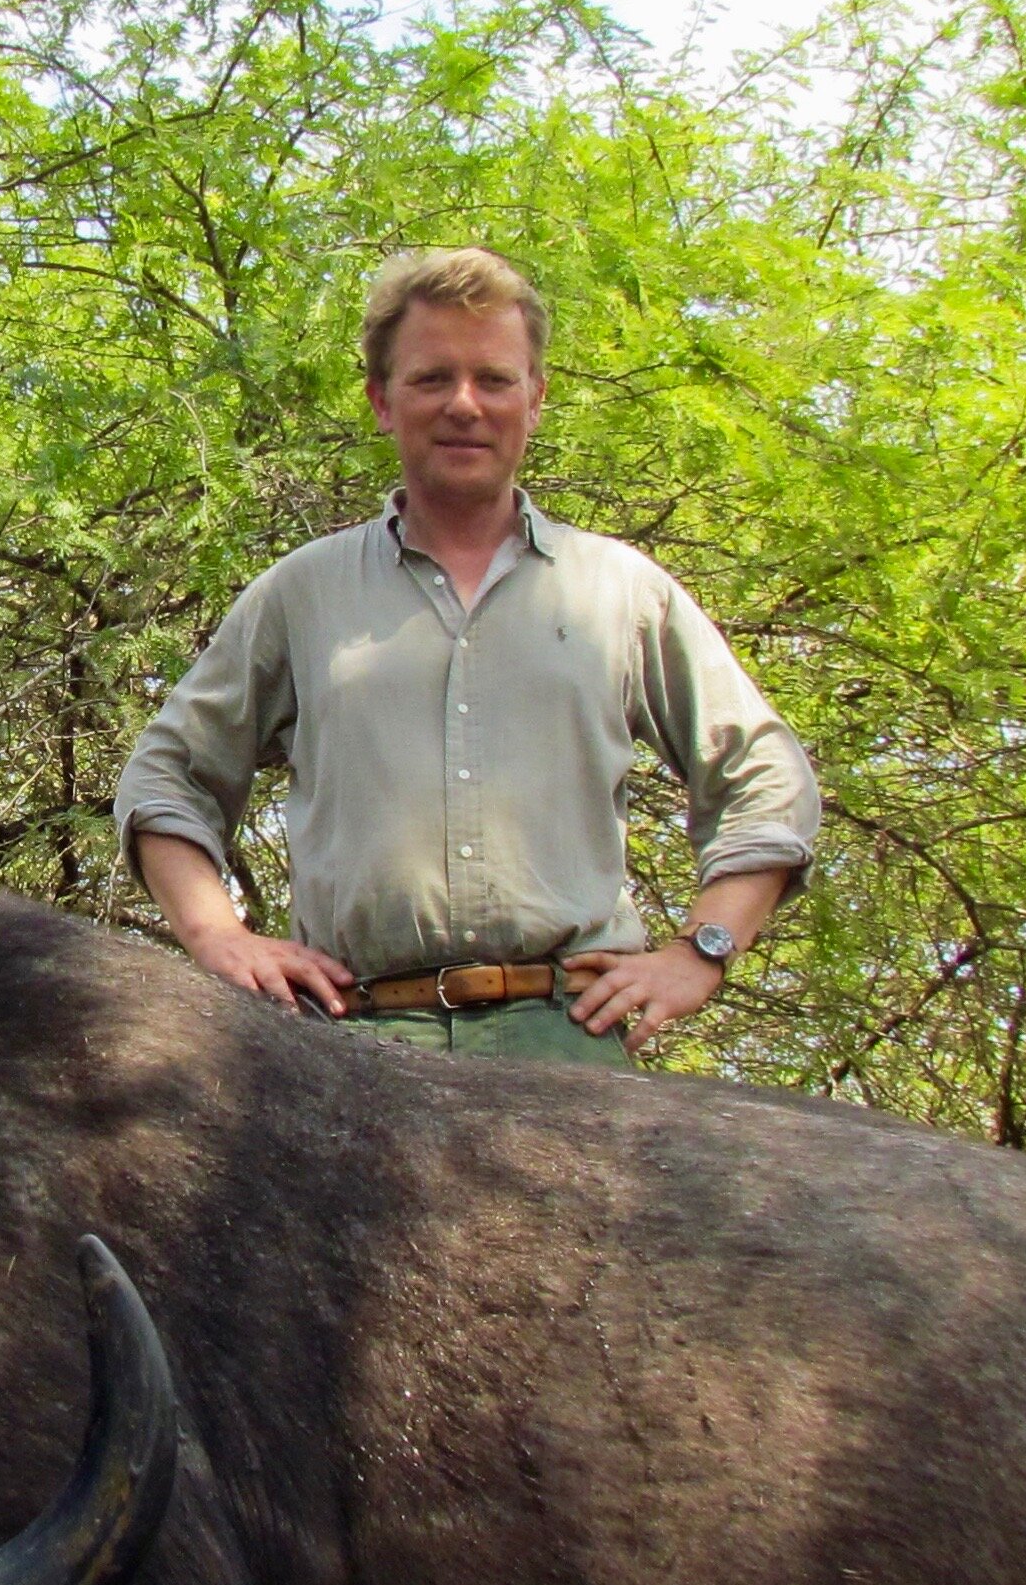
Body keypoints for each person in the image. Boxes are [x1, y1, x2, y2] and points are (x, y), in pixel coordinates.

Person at [111, 246, 819, 1066]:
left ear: (535, 398)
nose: (463, 404)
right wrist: (216, 935)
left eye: (493, 379)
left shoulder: (621, 591)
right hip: (353, 1048)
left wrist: (702, 949)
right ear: (381, 401)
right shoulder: (300, 594)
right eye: (429, 379)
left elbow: (764, 776)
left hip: (566, 1042)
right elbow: (167, 777)